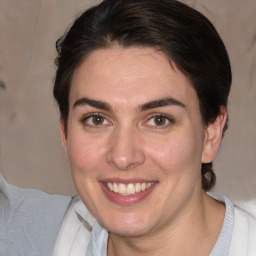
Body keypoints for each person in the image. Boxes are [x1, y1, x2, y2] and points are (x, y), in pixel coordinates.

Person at [1, 0, 255, 255]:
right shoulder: (22, 234)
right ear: (65, 134)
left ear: (211, 134)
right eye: (97, 120)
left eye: (158, 120)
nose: (123, 157)